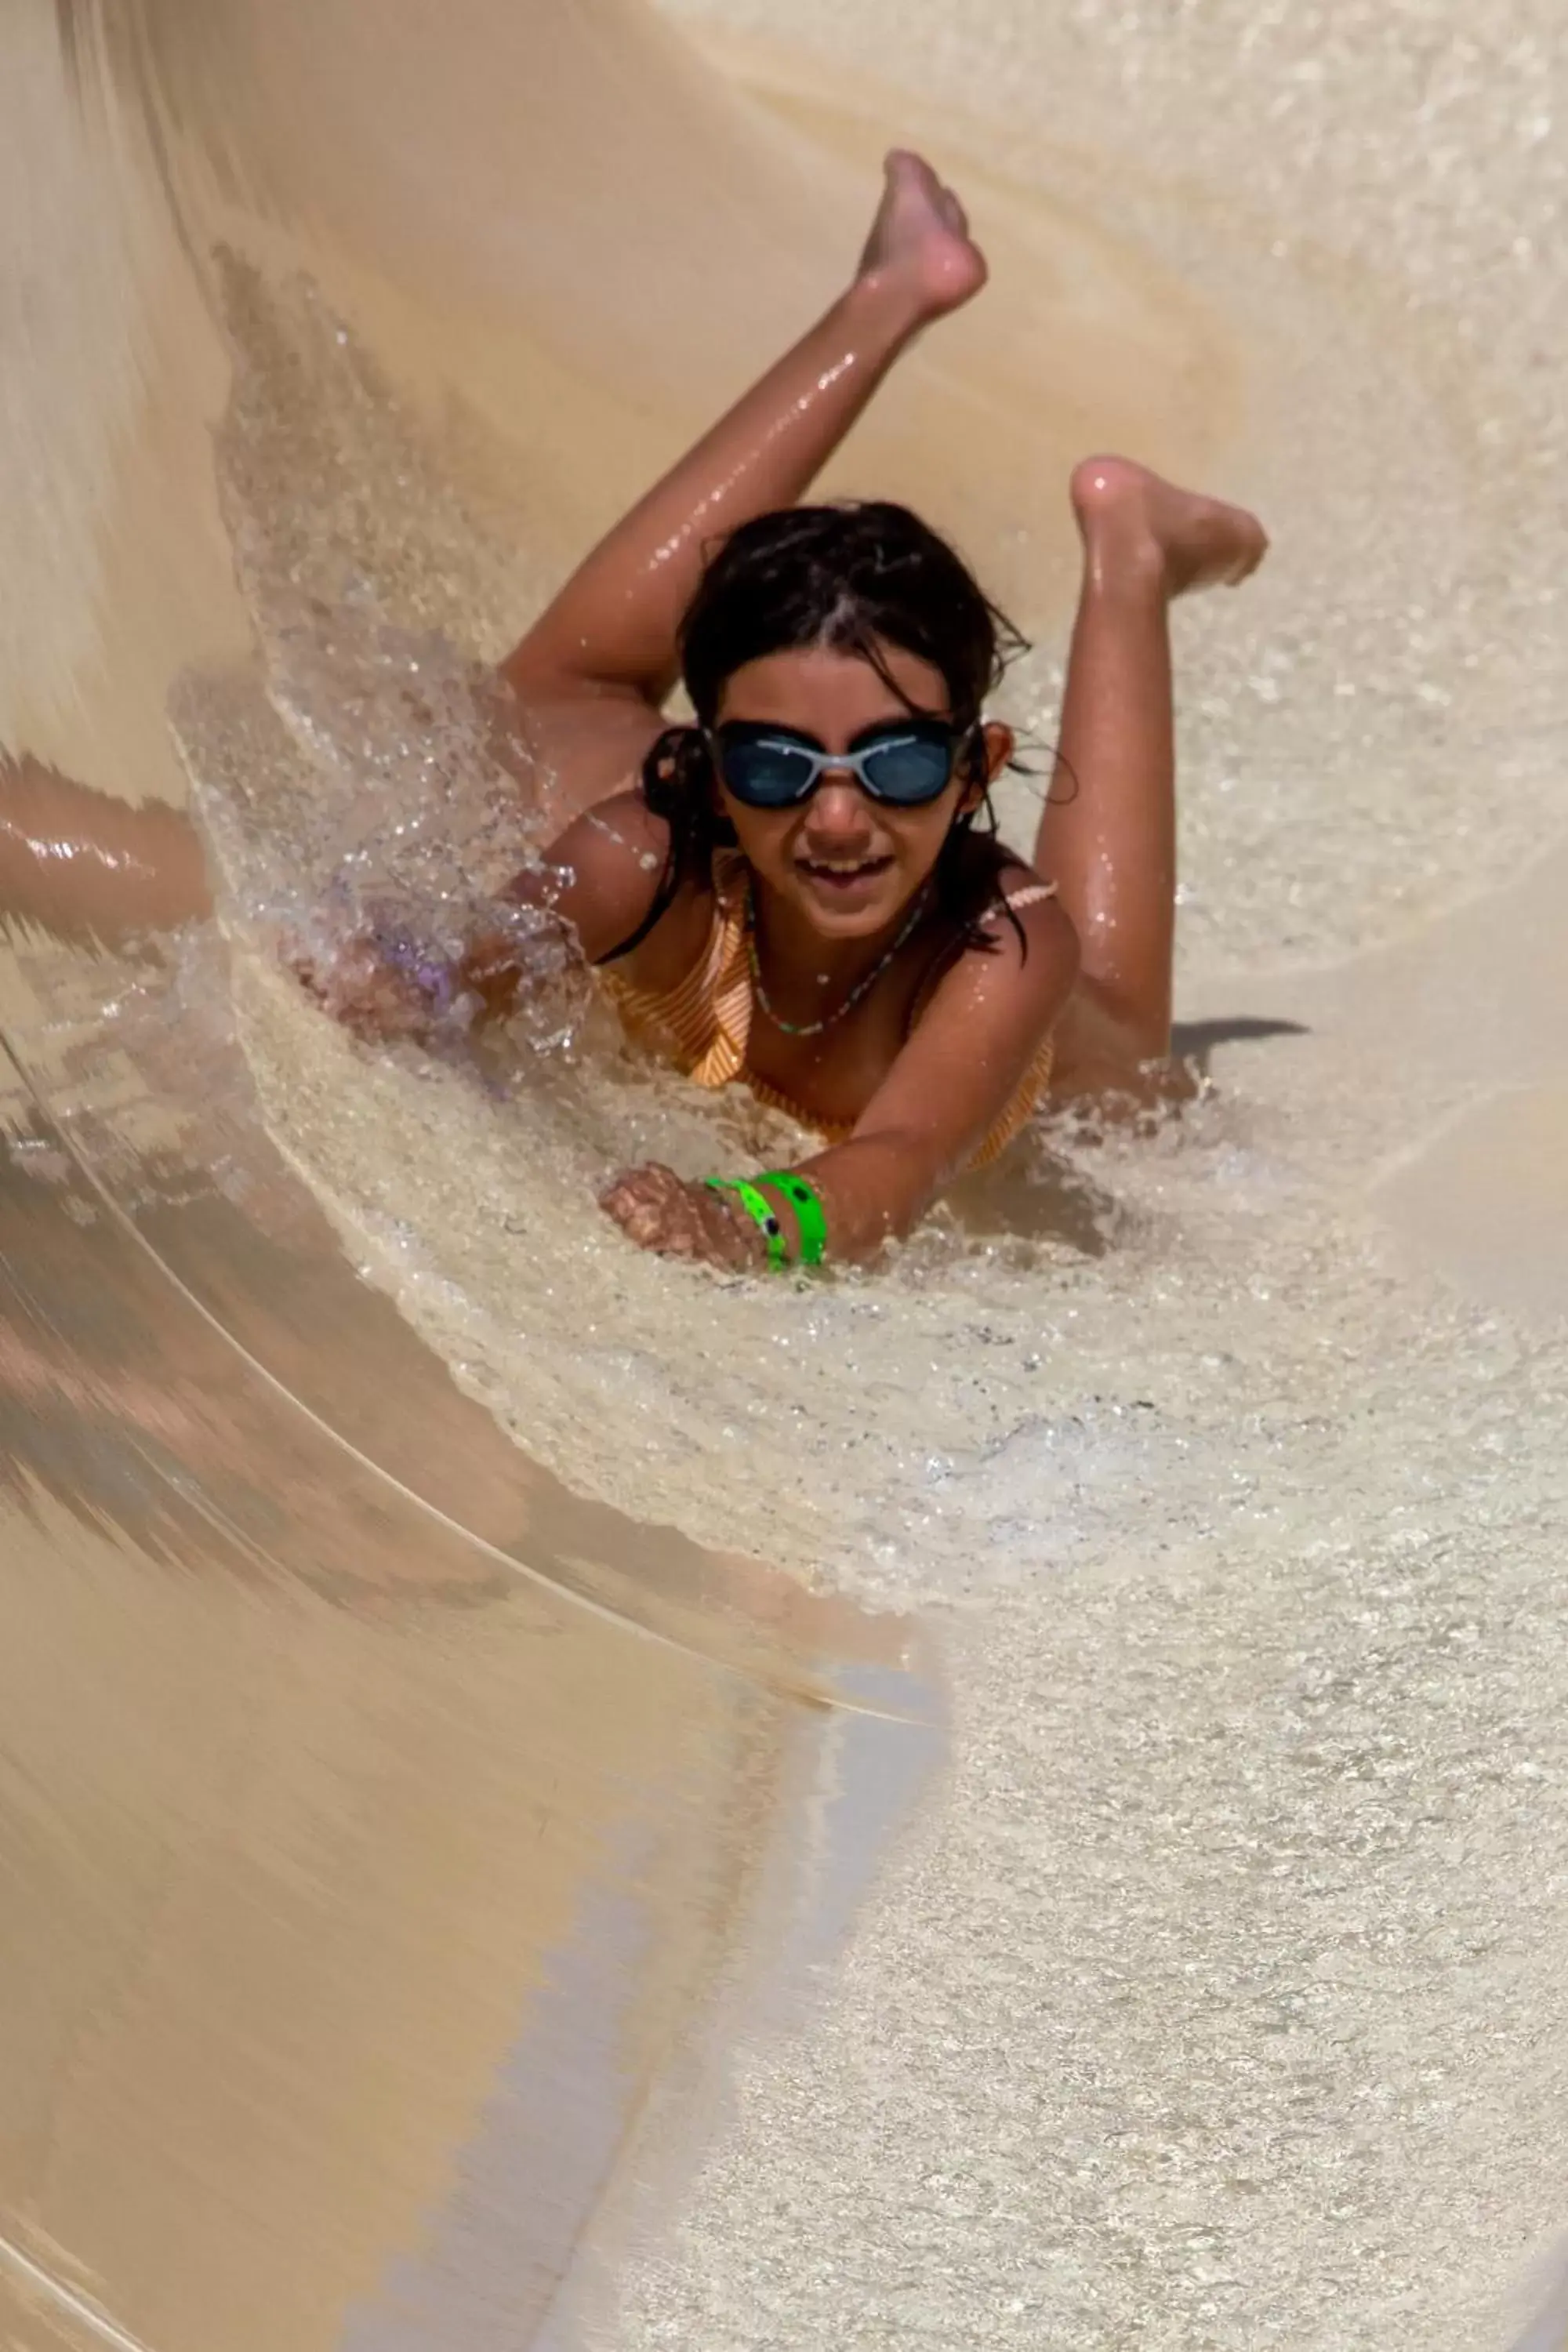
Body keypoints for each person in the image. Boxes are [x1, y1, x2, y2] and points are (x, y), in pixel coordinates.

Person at [480, 149, 1267, 1272]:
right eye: (775, 767)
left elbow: (898, 1162)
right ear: (705, 768)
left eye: (896, 765)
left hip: (1053, 1042)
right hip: (640, 808)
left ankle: (1131, 552)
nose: (839, 818)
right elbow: (454, 961)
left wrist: (742, 1223)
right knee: (546, 699)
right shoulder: (633, 861)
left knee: (1126, 1053)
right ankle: (887, 293)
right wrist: (390, 973)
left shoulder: (1000, 944)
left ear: (975, 770)